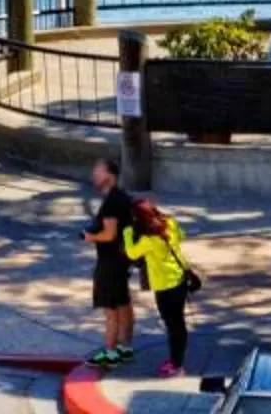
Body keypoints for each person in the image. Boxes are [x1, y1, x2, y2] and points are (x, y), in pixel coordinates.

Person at [123, 193, 198, 379]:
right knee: (178, 323)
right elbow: (182, 236)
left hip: (165, 287)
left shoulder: (148, 241)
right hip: (180, 280)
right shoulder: (170, 223)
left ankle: (177, 365)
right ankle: (177, 360)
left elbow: (131, 254)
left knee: (173, 326)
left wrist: (127, 232)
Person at [80, 154, 136, 368]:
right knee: (123, 303)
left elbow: (110, 234)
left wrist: (89, 236)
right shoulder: (122, 197)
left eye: (98, 171)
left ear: (109, 176)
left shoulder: (112, 201)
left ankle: (110, 352)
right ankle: (126, 347)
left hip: (109, 262)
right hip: (122, 259)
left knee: (110, 308)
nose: (94, 174)